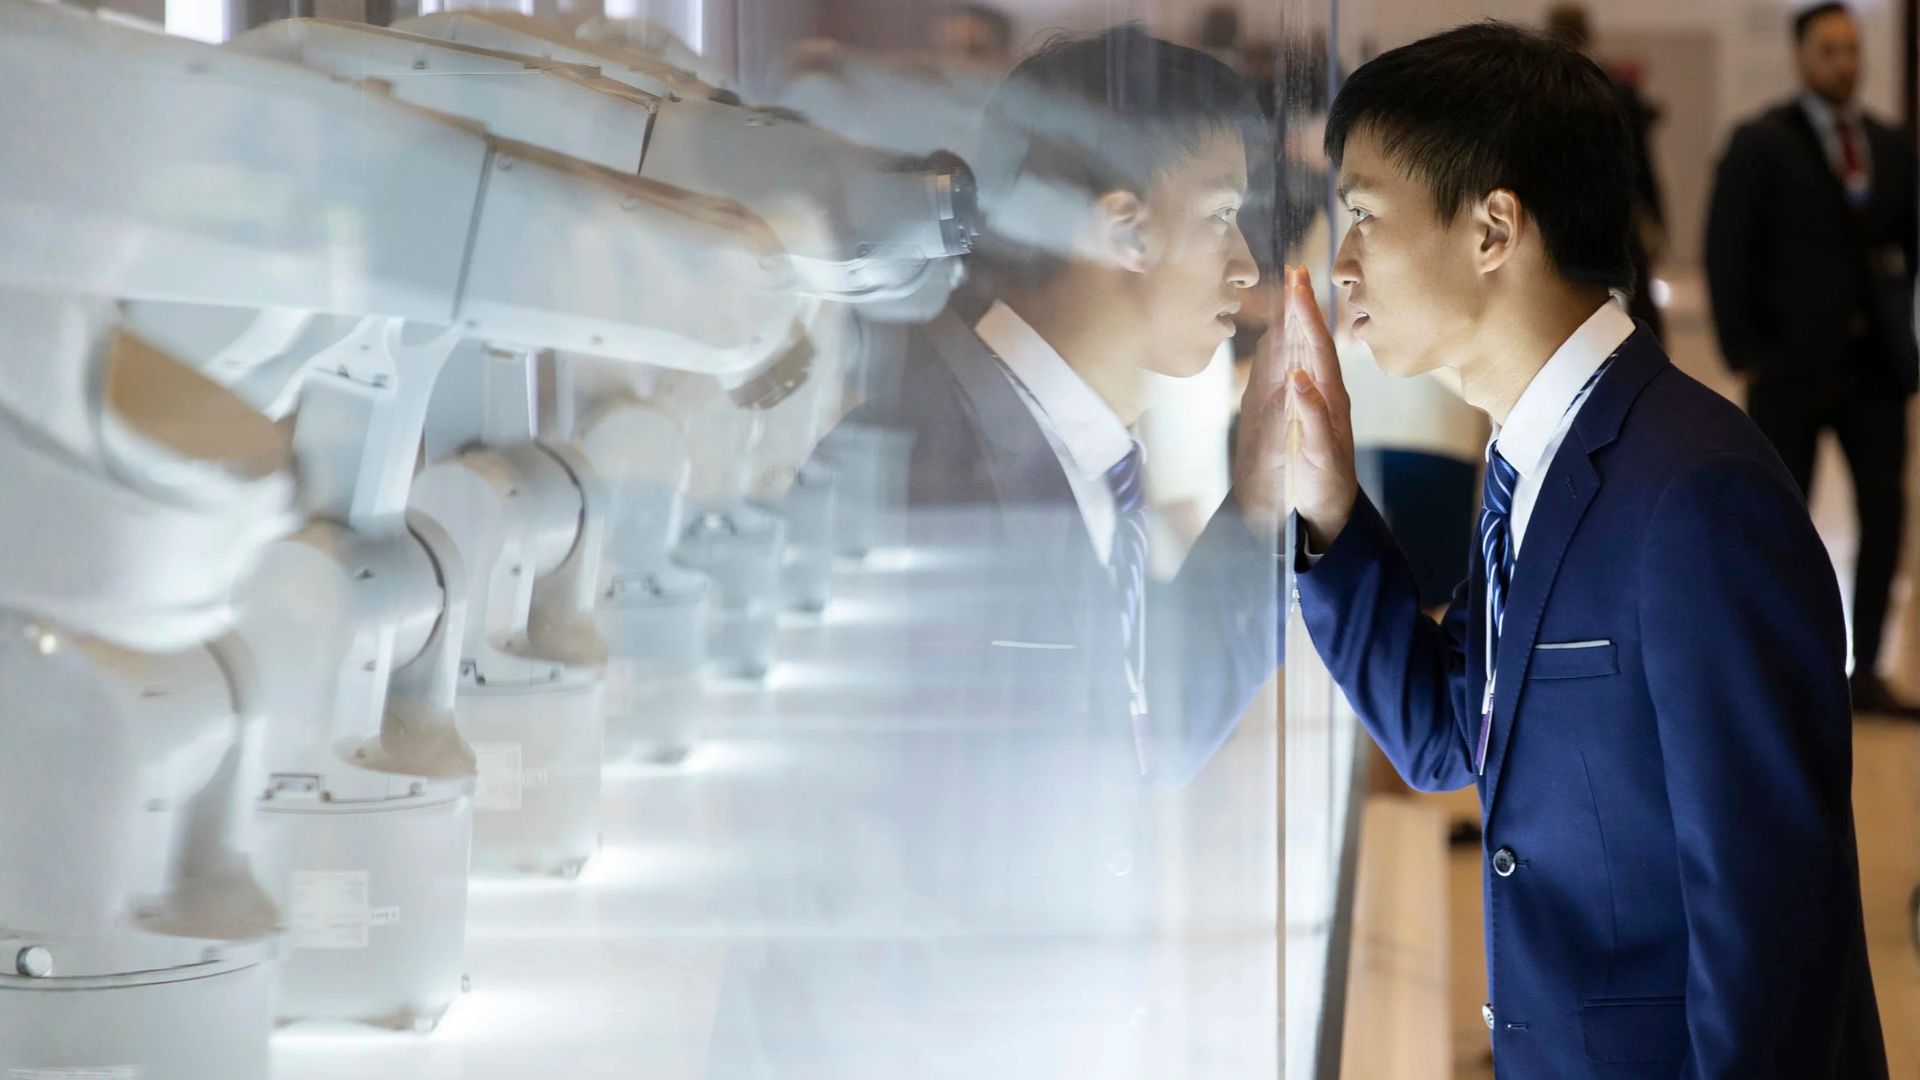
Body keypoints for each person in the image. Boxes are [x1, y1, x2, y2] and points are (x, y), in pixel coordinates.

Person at [1279, 22, 1885, 1077]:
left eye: (1367, 217)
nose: (1342, 265)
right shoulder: (1535, 458)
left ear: (1493, 229)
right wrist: (1330, 510)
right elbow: (1443, 734)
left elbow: (1774, 926)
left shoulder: (1696, 493)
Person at [804, 29, 1289, 934]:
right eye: (1221, 217)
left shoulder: (1088, 452)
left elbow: (1145, 737)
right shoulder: (926, 463)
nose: (1245, 268)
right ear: (1121, 229)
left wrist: (1259, 514)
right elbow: (891, 861)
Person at [1706, 1, 1920, 716]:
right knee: (1777, 518)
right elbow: (1727, 250)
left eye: (1853, 49)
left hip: (1874, 372)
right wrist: (1746, 353)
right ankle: (1785, 671)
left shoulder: (1890, 145)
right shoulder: (1762, 143)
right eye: (1830, 50)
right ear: (1801, 57)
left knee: (1884, 514)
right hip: (1788, 370)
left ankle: (1866, 676)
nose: (1845, 63)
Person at [1545, 3, 1669, 341]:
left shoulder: (1531, 94)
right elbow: (1641, 166)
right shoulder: (1612, 89)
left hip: (1554, 212)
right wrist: (1655, 219)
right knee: (1632, 298)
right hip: (1613, 209)